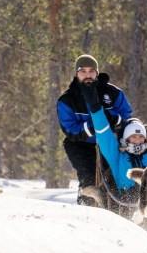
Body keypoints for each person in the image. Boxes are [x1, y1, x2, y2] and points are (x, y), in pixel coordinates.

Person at [57, 54, 133, 204]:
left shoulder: (112, 93)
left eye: (91, 71)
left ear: (97, 73)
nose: (87, 75)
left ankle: (125, 206)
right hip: (81, 144)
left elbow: (126, 115)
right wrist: (95, 126)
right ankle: (87, 201)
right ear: (76, 73)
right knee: (90, 177)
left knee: (116, 176)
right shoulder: (67, 100)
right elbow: (70, 129)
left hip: (111, 142)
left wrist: (113, 120)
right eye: (83, 71)